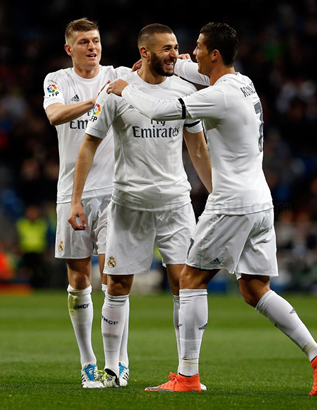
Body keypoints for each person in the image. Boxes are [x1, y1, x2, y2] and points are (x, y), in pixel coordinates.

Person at [107, 22, 317, 396]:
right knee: (253, 288)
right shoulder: (243, 83)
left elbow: (163, 110)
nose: (188, 53)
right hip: (261, 202)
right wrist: (167, 62)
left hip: (232, 202)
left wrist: (127, 89)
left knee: (189, 280)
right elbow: (189, 68)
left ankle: (186, 377)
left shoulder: (220, 96)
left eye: (196, 47)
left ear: (214, 54)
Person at [68, 23, 212, 388]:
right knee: (116, 285)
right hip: (128, 204)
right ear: (144, 53)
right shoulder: (116, 94)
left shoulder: (185, 91)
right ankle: (114, 370)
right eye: (165, 48)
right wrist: (76, 200)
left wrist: (215, 193)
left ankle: (186, 371)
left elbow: (197, 146)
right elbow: (88, 144)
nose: (174, 55)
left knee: (186, 284)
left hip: (175, 204)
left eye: (176, 47)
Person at [43, 17, 135, 388]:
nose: (92, 47)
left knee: (115, 278)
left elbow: (150, 76)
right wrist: (95, 103)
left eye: (95, 40)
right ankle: (88, 363)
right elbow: (54, 115)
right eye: (83, 42)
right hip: (73, 194)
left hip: (115, 192)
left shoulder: (117, 72)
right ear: (69, 49)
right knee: (79, 278)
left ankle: (120, 361)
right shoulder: (57, 80)